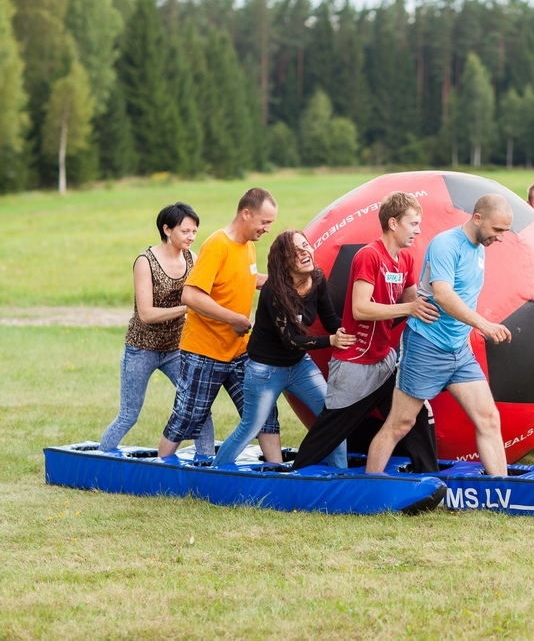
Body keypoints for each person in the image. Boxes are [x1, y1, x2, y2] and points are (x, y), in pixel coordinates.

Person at [363, 194, 514, 476]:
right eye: (497, 230)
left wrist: (465, 333)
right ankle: (370, 486)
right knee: (400, 424)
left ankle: (501, 490)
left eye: (505, 231)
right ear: (478, 218)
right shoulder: (446, 244)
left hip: (459, 351)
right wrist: (484, 325)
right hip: (426, 346)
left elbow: (465, 297)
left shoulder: (479, 247)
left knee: (489, 419)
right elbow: (443, 294)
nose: (501, 238)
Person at [292, 192, 440, 471]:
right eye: (413, 223)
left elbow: (412, 302)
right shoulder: (368, 256)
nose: (418, 230)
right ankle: (296, 477)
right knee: (331, 429)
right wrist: (409, 310)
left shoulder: (405, 260)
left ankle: (430, 478)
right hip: (355, 363)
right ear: (393, 223)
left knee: (417, 416)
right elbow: (360, 308)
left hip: (384, 360)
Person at [212, 230, 355, 467]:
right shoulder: (274, 291)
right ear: (284, 261)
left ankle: (339, 477)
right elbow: (291, 339)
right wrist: (331, 340)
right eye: (296, 251)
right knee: (251, 428)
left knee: (332, 417)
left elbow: (330, 320)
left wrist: (356, 329)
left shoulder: (317, 279)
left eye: (306, 246)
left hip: (298, 365)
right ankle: (216, 473)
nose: (305, 253)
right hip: (264, 371)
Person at [157, 188, 278, 459]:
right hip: (204, 352)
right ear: (246, 214)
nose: (268, 228)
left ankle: (277, 472)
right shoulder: (217, 244)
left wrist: (287, 283)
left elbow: (246, 278)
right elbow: (191, 295)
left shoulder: (248, 246)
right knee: (187, 416)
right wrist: (232, 318)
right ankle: (159, 468)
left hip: (239, 351)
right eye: (265, 222)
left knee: (264, 410)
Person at [100, 203, 215, 452]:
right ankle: (100, 461)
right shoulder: (145, 261)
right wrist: (188, 307)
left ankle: (206, 464)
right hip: (141, 349)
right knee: (128, 415)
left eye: (194, 232)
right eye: (185, 231)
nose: (191, 237)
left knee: (199, 409)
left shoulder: (192, 258)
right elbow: (146, 314)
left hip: (176, 348)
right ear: (167, 229)